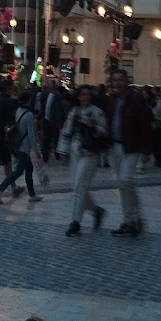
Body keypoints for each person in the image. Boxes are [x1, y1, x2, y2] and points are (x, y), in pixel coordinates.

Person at [57, 84, 108, 235]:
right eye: (83, 94)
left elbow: (104, 132)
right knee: (78, 187)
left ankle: (75, 221)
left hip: (90, 153)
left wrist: (92, 126)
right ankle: (96, 210)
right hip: (76, 151)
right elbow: (66, 132)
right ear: (78, 96)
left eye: (88, 94)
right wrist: (62, 150)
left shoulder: (97, 112)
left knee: (79, 187)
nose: (86, 97)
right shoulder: (74, 112)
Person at [106, 69, 152, 236]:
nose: (117, 83)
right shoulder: (112, 99)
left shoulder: (136, 98)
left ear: (126, 81)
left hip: (131, 146)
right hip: (115, 146)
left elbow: (145, 124)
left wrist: (146, 149)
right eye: (114, 80)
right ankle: (130, 220)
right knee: (123, 184)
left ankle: (134, 217)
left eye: (120, 80)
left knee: (125, 181)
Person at [0, 92, 43, 204]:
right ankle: (0, 188)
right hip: (24, 148)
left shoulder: (18, 111)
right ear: (28, 100)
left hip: (17, 145)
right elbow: (31, 135)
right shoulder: (29, 115)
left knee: (29, 169)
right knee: (19, 171)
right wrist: (37, 151)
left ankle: (32, 194)